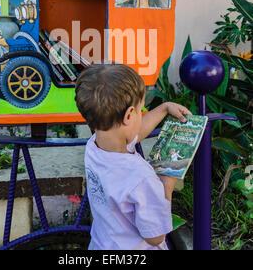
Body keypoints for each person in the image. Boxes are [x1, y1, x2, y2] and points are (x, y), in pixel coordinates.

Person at [75, 63, 192, 250]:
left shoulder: (95, 147)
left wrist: (163, 109)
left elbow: (133, 134)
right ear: (129, 115)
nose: (141, 114)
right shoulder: (141, 177)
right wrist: (166, 186)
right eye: (140, 110)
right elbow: (155, 236)